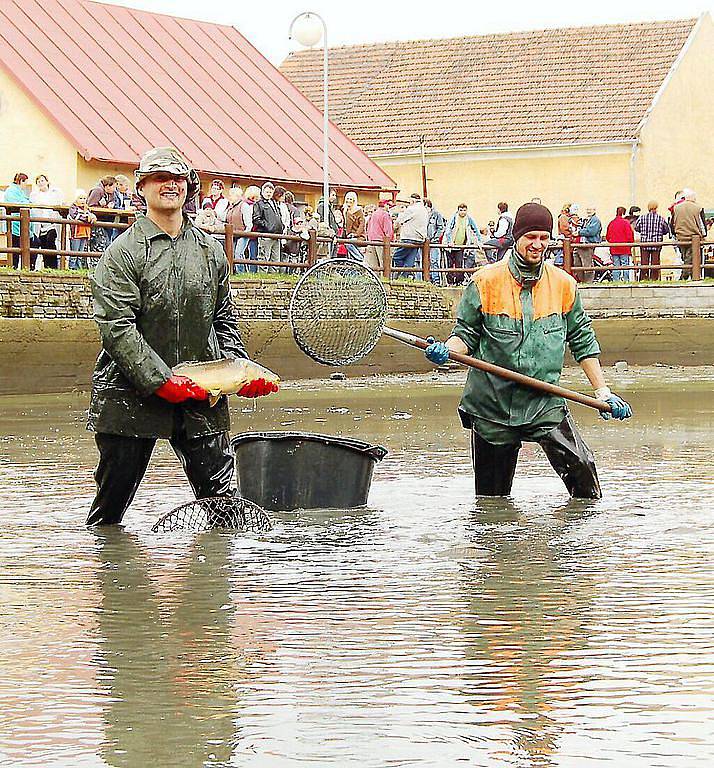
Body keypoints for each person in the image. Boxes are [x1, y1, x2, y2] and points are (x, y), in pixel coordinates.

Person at [85, 147, 274, 526]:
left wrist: (239, 371)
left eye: (177, 178)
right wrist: (159, 380)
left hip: (200, 397)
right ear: (142, 187)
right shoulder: (122, 253)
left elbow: (223, 321)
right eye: (159, 177)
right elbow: (117, 327)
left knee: (225, 509)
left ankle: (217, 583)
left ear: (188, 187)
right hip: (129, 396)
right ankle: (109, 576)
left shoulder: (209, 251)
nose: (169, 184)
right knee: (110, 512)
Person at [423, 202, 632, 499]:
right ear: (516, 237)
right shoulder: (484, 282)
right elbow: (465, 337)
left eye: (543, 238)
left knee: (584, 475)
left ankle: (580, 542)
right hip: (492, 405)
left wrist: (603, 392)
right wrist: (446, 351)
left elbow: (582, 341)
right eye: (530, 237)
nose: (537, 245)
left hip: (543, 400)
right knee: (492, 501)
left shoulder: (564, 286)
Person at [444, 203, 484, 285]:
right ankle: (450, 282)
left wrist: (479, 241)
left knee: (459, 264)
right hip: (451, 246)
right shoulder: (454, 218)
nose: (462, 212)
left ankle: (459, 281)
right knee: (450, 264)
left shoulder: (468, 219)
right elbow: (448, 230)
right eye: (461, 210)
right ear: (458, 210)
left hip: (460, 246)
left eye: (464, 210)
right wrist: (449, 241)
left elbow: (476, 229)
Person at [670, 189, 706, 280]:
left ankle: (688, 276)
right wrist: (704, 235)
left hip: (680, 237)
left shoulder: (676, 208)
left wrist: (675, 233)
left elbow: (672, 223)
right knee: (690, 259)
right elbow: (701, 224)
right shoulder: (698, 208)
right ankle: (685, 277)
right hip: (693, 237)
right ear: (693, 198)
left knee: (685, 257)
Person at [393, 193, 429, 278]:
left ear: (412, 201)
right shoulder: (424, 210)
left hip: (409, 237)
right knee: (410, 260)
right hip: (420, 238)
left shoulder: (411, 209)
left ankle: (402, 274)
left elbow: (399, 221)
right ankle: (405, 276)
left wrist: (399, 216)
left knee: (396, 256)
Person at [30, 174, 63, 269]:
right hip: (40, 224)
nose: (41, 183)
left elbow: (59, 204)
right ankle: (46, 266)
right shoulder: (34, 195)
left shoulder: (54, 193)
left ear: (47, 181)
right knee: (43, 243)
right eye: (39, 182)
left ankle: (53, 266)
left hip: (52, 223)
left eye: (42, 181)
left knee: (50, 241)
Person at [252, 181, 283, 270]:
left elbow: (278, 216)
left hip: (277, 235)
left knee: (275, 259)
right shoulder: (259, 204)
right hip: (265, 235)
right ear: (262, 192)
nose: (268, 194)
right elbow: (256, 219)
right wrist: (267, 227)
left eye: (270, 192)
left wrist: (281, 226)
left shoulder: (274, 203)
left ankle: (274, 278)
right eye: (267, 192)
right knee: (263, 258)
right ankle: (262, 277)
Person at [634, 201, 669, 281]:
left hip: (645, 243)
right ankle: (654, 279)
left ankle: (644, 278)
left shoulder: (642, 218)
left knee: (644, 262)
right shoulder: (660, 218)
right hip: (656, 243)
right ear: (656, 208)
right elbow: (666, 230)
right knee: (655, 262)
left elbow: (636, 228)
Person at [3, 173, 31, 267]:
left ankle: (27, 266)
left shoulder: (20, 191)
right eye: (25, 183)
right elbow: (18, 203)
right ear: (21, 181)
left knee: (31, 244)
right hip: (15, 223)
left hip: (21, 224)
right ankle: (14, 266)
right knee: (15, 247)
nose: (26, 185)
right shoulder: (11, 191)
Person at [67, 189, 97, 269]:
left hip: (84, 232)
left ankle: (78, 267)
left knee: (80, 253)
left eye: (84, 198)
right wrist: (87, 218)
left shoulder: (86, 208)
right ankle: (72, 268)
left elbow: (91, 215)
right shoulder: (73, 208)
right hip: (76, 233)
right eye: (80, 198)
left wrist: (93, 217)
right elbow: (76, 216)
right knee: (74, 252)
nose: (83, 200)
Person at [605, 207, 634, 281]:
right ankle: (626, 281)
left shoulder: (611, 223)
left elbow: (608, 237)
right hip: (624, 248)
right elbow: (630, 236)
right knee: (625, 265)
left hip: (614, 248)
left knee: (616, 266)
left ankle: (616, 281)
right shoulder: (626, 223)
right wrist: (630, 245)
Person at [365, 199, 393, 272]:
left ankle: (374, 281)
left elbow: (368, 228)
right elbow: (388, 230)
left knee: (373, 265)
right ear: (385, 205)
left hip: (371, 241)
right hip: (381, 242)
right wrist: (390, 241)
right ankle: (385, 280)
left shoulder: (373, 214)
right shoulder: (385, 215)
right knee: (384, 264)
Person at [576, 205, 602, 283]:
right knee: (578, 264)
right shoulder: (588, 219)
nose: (588, 211)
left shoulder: (595, 220)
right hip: (582, 244)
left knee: (587, 264)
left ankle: (588, 282)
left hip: (588, 244)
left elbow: (591, 231)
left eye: (590, 209)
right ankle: (582, 281)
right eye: (587, 209)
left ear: (594, 210)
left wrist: (579, 232)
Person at [424, 198, 446, 284]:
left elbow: (441, 228)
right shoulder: (422, 215)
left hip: (433, 242)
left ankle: (436, 281)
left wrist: (435, 238)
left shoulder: (436, 214)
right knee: (423, 262)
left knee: (434, 261)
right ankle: (426, 280)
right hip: (423, 241)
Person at [342, 191, 365, 261]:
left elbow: (362, 224)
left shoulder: (359, 211)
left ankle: (360, 259)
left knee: (348, 243)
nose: (349, 201)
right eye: (347, 199)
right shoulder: (345, 211)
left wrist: (356, 234)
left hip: (358, 236)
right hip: (348, 236)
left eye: (351, 199)